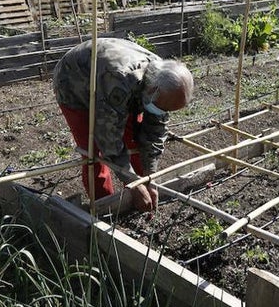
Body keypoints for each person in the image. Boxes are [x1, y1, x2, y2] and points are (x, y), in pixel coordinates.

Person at [52, 38, 194, 211]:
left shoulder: (161, 80)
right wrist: (133, 183)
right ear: (151, 91)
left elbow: (153, 134)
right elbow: (109, 139)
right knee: (92, 152)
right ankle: (106, 207)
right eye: (162, 108)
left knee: (133, 141)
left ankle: (142, 194)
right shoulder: (120, 81)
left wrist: (150, 179)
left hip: (113, 80)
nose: (163, 113)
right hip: (74, 83)